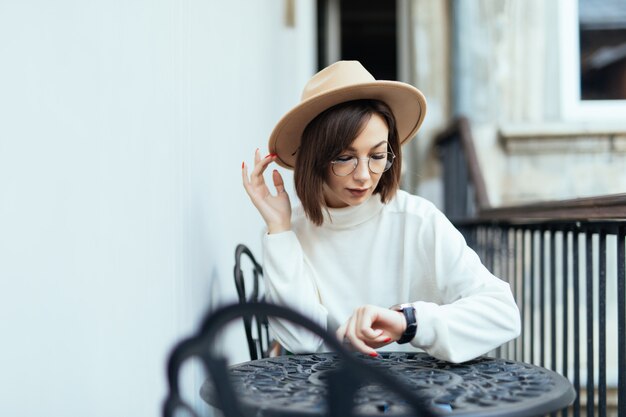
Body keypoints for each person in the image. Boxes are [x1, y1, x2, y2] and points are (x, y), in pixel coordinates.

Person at [242, 61, 520, 363]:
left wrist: (409, 323)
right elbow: (302, 341)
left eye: (377, 156)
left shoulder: (417, 220)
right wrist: (280, 229)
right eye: (345, 158)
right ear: (314, 159)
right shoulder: (291, 230)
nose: (364, 175)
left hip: (419, 397)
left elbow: (503, 313)